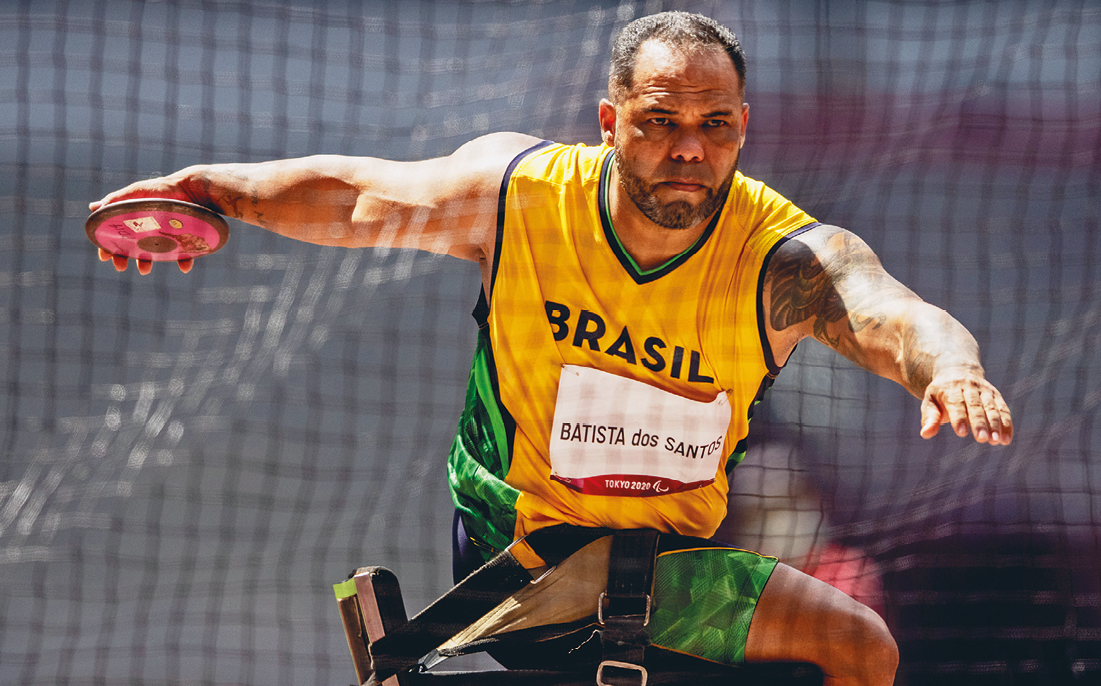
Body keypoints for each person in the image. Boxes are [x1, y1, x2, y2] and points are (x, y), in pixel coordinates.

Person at [91, 12, 1012, 685]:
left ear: (741, 127)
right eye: (659, 121)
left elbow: (893, 314)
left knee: (860, 648)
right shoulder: (521, 198)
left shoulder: (781, 257)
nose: (687, 149)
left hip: (671, 568)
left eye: (714, 125)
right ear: (610, 125)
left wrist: (954, 369)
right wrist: (218, 192)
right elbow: (364, 196)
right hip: (514, 553)